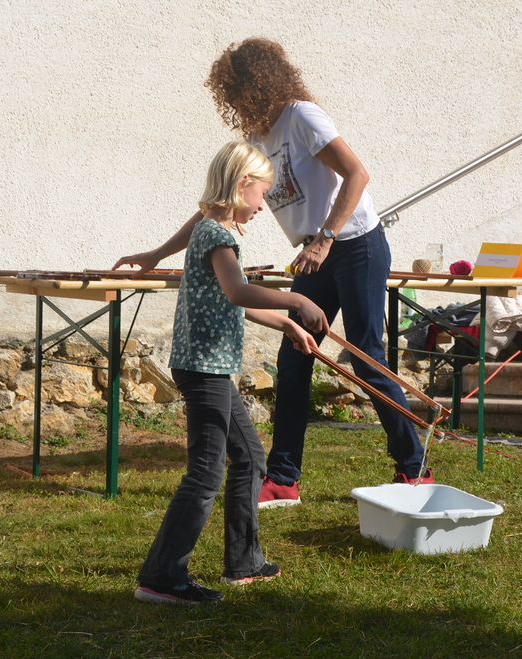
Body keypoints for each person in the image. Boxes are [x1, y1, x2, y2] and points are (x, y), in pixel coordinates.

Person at [115, 38, 431, 514]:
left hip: (355, 244)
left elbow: (357, 175)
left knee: (367, 357)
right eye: (230, 95)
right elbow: (219, 202)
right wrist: (157, 254)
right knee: (295, 356)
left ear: (259, 82)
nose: (236, 102)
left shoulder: (302, 117)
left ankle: (413, 467)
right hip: (314, 253)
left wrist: (325, 238)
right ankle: (283, 479)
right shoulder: (258, 137)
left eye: (239, 91)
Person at [134, 141, 328, 605]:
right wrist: (297, 299)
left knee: (252, 459)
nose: (263, 206)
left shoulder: (209, 228)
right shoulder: (217, 235)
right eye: (263, 194)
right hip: (204, 368)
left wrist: (287, 325)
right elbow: (238, 291)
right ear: (243, 184)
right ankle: (162, 577)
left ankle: (244, 561)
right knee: (205, 472)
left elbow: (231, 298)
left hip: (210, 368)